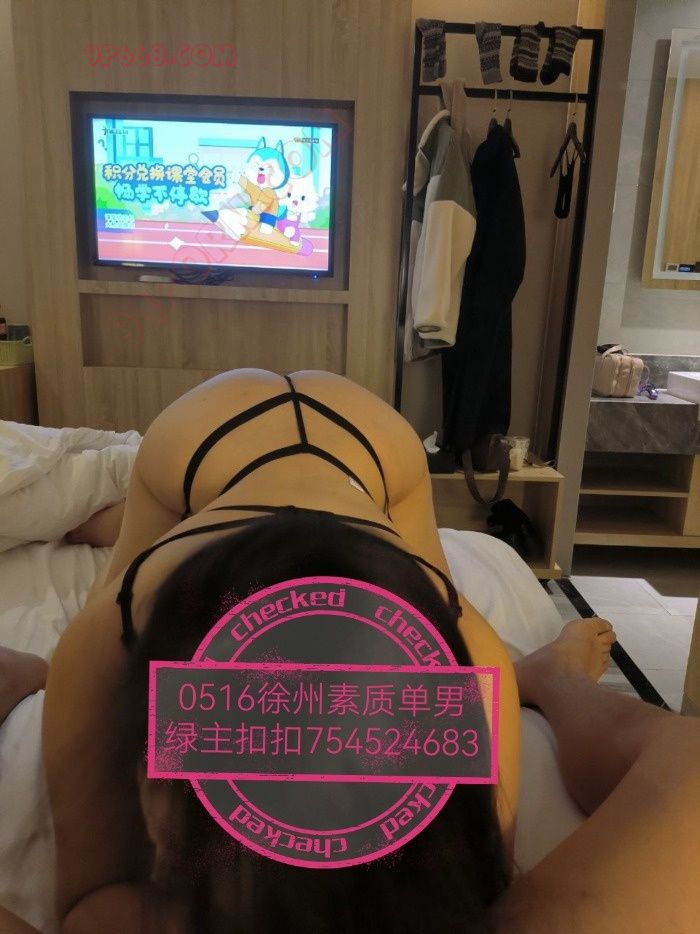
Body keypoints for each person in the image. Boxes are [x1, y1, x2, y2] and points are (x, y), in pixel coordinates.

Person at [1, 369, 698, 933]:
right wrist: (564, 686)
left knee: (80, 639)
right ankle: (550, 676)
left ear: (156, 805)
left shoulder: (114, 635)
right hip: (370, 457)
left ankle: (75, 588)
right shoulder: (471, 657)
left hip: (203, 446)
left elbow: (91, 898)